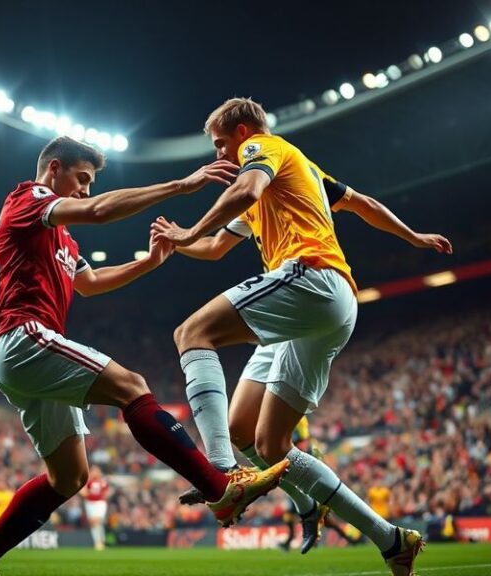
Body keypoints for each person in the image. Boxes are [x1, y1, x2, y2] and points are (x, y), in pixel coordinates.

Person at [0, 136, 288, 576]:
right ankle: (219, 489)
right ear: (54, 169)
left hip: (22, 355)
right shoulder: (28, 198)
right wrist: (182, 186)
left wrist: (149, 262)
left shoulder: (62, 240)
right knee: (133, 387)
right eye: (82, 179)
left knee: (69, 478)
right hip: (24, 337)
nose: (87, 190)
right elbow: (99, 211)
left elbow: (90, 282)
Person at [153, 98, 452, 576]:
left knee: (192, 332)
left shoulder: (264, 149)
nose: (218, 158)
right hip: (328, 309)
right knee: (263, 441)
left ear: (244, 131)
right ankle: (390, 539)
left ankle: (223, 474)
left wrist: (188, 229)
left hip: (312, 279)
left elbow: (247, 188)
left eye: (221, 145)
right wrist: (181, 241)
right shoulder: (302, 173)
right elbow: (362, 206)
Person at [81, 465, 109, 551]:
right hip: (90, 504)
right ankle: (100, 541)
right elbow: (84, 493)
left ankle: (99, 542)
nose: (95, 473)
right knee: (94, 523)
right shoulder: (88, 482)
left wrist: (98, 496)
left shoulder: (102, 482)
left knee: (97, 520)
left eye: (96, 471)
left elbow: (106, 493)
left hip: (100, 503)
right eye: (93, 471)